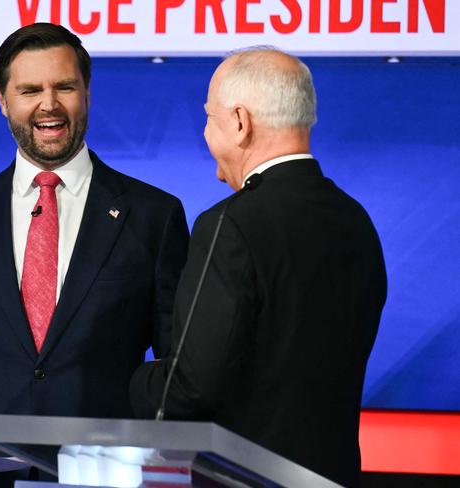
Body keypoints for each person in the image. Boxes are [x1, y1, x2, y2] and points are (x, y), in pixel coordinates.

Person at [0, 23, 189, 488]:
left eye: (64, 86)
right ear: (3, 100)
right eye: (30, 90)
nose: (49, 104)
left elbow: (178, 365)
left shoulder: (154, 216)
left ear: (86, 92)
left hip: (104, 472)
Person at [130, 48, 387, 488]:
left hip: (244, 477)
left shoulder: (229, 225)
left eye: (209, 118)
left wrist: (124, 379)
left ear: (239, 121)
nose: (207, 134)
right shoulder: (356, 220)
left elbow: (190, 388)